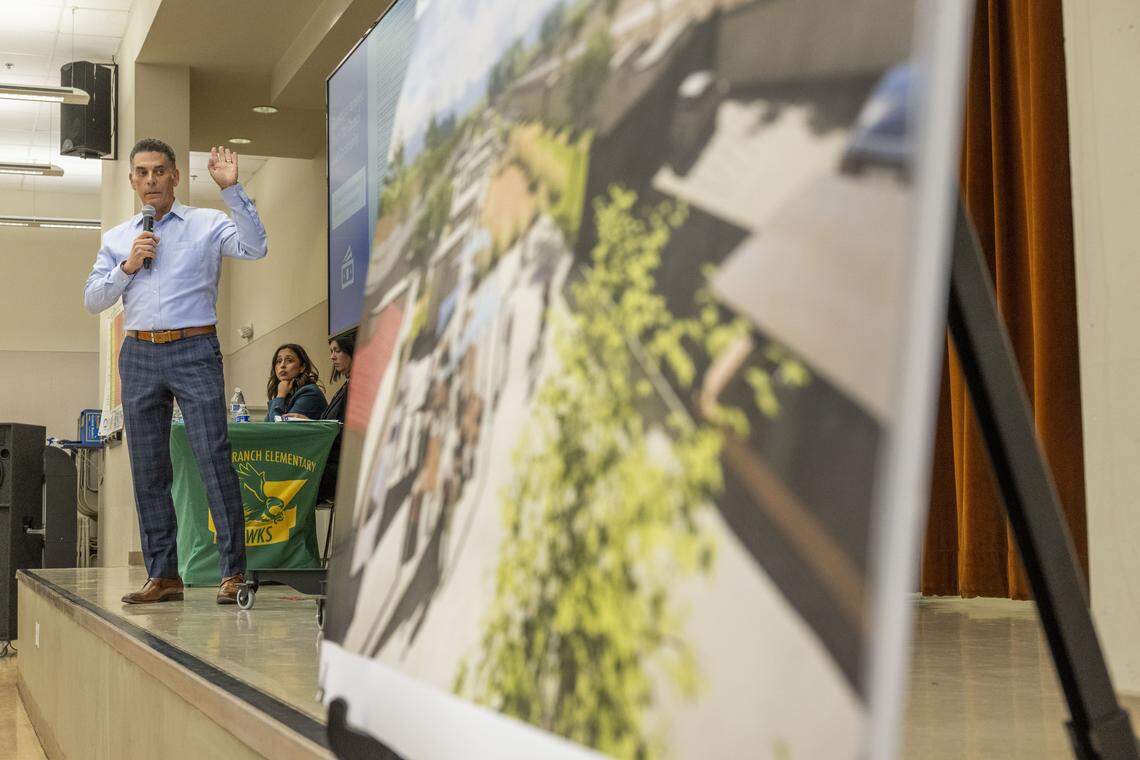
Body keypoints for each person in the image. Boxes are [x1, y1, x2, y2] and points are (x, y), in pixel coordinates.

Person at [83, 138, 267, 605]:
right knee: (148, 470)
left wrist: (232, 190)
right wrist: (128, 266)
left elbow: (255, 247)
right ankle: (163, 575)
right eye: (141, 173)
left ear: (175, 177)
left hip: (195, 348)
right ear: (132, 181)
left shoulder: (207, 223)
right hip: (139, 354)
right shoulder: (118, 238)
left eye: (159, 171)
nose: (150, 181)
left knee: (212, 458)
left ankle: (233, 573)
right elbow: (93, 300)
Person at [284, 334, 353, 501]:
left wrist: (312, 424)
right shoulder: (346, 385)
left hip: (342, 468)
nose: (332, 356)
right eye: (331, 351)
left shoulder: (358, 387)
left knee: (289, 478)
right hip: (331, 462)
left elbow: (348, 431)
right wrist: (308, 422)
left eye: (337, 350)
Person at [266, 344, 327, 421]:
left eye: (289, 360)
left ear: (302, 367)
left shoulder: (310, 393)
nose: (282, 365)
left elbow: (277, 429)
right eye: (279, 361)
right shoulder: (287, 392)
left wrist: (280, 396)